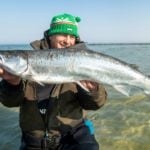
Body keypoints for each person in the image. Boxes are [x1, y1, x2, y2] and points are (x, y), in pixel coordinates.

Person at [0, 13, 107, 150]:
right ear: (51, 35)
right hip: (34, 140)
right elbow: (10, 103)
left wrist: (92, 90)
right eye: (62, 34)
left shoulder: (84, 62)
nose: (67, 41)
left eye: (72, 36)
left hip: (73, 135)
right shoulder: (27, 63)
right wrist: (12, 83)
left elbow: (95, 104)